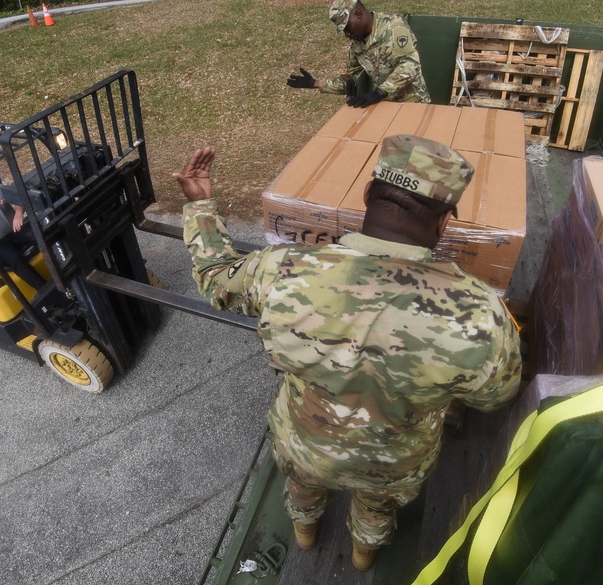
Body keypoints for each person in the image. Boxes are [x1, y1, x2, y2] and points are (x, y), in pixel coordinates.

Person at [173, 135, 521, 571]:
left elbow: (216, 278)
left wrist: (201, 206)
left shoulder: (282, 270)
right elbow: (494, 396)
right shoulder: (481, 315)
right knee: (377, 507)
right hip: (393, 461)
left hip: (304, 443)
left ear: (368, 195)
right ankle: (362, 556)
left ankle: (304, 531)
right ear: (446, 222)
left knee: (302, 487)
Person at [287, 0, 430, 107]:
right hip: (384, 108)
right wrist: (315, 83)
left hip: (414, 104)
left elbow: (410, 64)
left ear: (359, 15)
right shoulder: (357, 47)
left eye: (347, 27)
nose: (347, 34)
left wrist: (380, 92)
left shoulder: (393, 26)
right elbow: (350, 80)